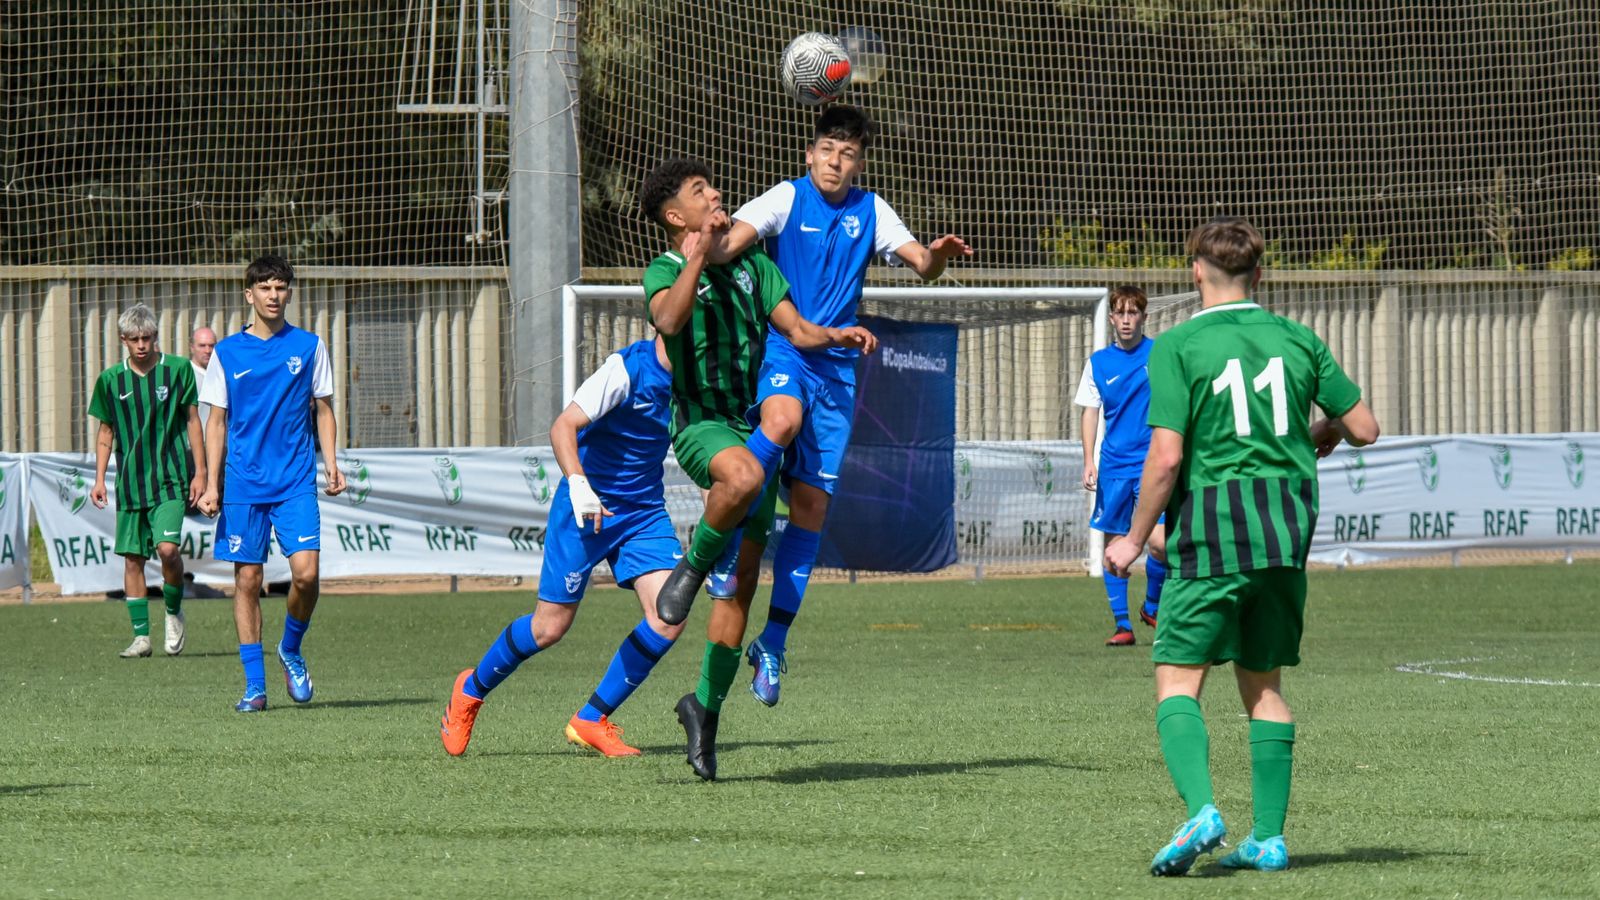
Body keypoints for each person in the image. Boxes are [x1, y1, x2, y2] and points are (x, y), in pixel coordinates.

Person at [1104, 217, 1379, 876]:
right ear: (1260, 274)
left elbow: (1166, 459)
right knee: (1263, 685)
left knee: (1177, 678)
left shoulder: (1176, 347)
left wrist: (1131, 541)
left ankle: (1201, 809)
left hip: (1214, 533)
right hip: (1285, 531)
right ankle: (1269, 838)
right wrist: (1316, 434)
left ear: (1196, 271)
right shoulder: (1296, 338)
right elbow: (1364, 426)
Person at [708, 104, 971, 706]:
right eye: (828, 148)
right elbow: (728, 247)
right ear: (810, 153)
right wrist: (706, 236)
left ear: (860, 162)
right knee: (780, 420)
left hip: (840, 373)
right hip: (785, 350)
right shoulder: (784, 197)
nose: (836, 160)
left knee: (810, 511)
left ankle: (771, 644)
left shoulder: (871, 210)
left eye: (849, 153)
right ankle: (721, 546)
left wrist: (939, 254)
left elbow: (924, 267)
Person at [639, 158, 877, 780]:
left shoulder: (755, 266)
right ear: (676, 217)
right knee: (742, 477)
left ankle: (704, 709)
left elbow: (795, 331)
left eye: (713, 187)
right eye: (700, 192)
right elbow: (668, 320)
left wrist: (837, 334)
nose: (716, 194)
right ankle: (691, 567)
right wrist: (697, 255)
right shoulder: (665, 269)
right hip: (702, 429)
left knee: (743, 582)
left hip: (748, 426)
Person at [439, 337, 687, 758]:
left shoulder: (703, 379)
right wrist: (579, 483)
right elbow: (563, 426)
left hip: (643, 511)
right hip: (586, 505)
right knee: (549, 628)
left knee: (668, 615)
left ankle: (591, 718)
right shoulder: (627, 368)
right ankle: (471, 689)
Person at [197, 256, 346, 712]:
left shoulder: (309, 345)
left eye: (281, 287)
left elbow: (323, 409)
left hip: (296, 479)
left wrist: (333, 464)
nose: (273, 295)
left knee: (307, 574)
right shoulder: (226, 353)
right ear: (249, 295)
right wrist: (210, 482)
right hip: (243, 483)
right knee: (247, 579)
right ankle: (255, 687)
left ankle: (291, 648)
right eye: (264, 288)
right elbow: (216, 422)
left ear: (288, 293)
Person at [87, 304, 206, 658]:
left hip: (170, 480)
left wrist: (200, 472)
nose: (142, 345)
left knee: (168, 550)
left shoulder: (178, 369)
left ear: (156, 337)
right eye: (134, 339)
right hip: (130, 483)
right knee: (133, 559)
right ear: (123, 340)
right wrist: (99, 480)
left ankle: (172, 612)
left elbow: (193, 421)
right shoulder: (111, 380)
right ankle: (141, 638)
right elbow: (106, 431)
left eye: (148, 338)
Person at [1075, 285, 1168, 646]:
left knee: (1160, 545)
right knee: (1116, 551)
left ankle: (1152, 606)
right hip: (1113, 466)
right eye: (1121, 314)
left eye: (1134, 313)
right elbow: (1090, 412)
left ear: (1144, 317)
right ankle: (1122, 626)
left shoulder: (1160, 355)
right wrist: (1088, 460)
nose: (1126, 320)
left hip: (1152, 466)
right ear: (1111, 317)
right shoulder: (1099, 363)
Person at [189, 325, 217, 429]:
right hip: (192, 443)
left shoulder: (222, 374)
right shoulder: (186, 375)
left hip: (221, 442)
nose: (208, 350)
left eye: (211, 345)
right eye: (202, 345)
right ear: (192, 347)